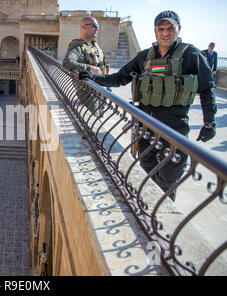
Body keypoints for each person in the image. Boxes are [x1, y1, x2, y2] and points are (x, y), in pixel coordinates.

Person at [78, 11, 217, 201]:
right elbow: (120, 77)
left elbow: (208, 89)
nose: (165, 33)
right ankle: (154, 208)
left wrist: (209, 123)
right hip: (145, 129)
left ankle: (163, 219)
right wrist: (94, 78)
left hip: (174, 132)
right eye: (161, 29)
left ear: (179, 29)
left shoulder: (192, 55)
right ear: (155, 31)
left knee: (168, 180)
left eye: (170, 29)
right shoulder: (145, 57)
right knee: (148, 171)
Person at [63, 16, 111, 114]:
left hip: (100, 89)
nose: (97, 29)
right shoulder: (77, 46)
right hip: (87, 93)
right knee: (93, 121)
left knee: (99, 116)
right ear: (84, 28)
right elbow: (67, 63)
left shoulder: (94, 45)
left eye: (97, 26)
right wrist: (90, 68)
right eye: (94, 26)